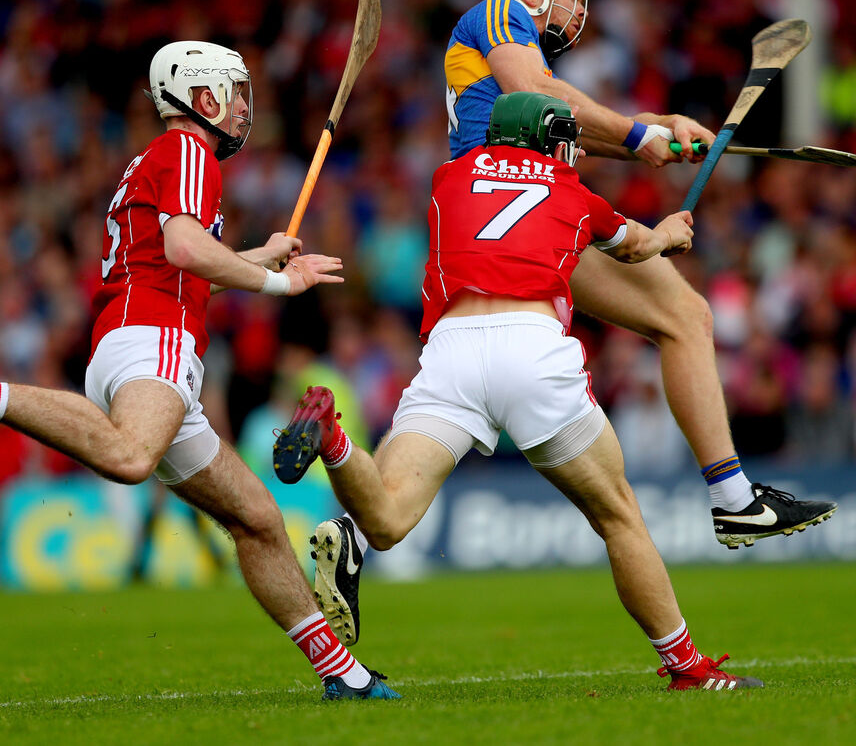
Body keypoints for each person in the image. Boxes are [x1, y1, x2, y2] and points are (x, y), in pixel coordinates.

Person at [302, 0, 837, 651]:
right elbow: (548, 101)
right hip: (525, 209)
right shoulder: (499, 16)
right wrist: (642, 136)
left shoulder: (525, 74)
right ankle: (734, 504)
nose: (579, 10)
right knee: (684, 320)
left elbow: (560, 122)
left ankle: (352, 511)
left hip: (491, 215)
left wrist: (663, 129)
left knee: (684, 319)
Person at [0, 41, 398, 701]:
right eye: (235, 92)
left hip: (147, 345)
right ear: (202, 99)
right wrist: (276, 287)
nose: (245, 106)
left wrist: (261, 258)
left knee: (258, 519)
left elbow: (181, 269)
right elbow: (186, 250)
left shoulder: (157, 163)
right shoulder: (189, 152)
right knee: (129, 458)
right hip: (151, 343)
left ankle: (344, 675)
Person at [276, 92, 766, 690]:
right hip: (532, 346)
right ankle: (688, 667)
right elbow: (633, 248)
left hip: (451, 350)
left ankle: (333, 439)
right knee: (618, 517)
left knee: (385, 519)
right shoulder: (572, 192)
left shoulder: (446, 178)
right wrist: (667, 234)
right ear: (549, 141)